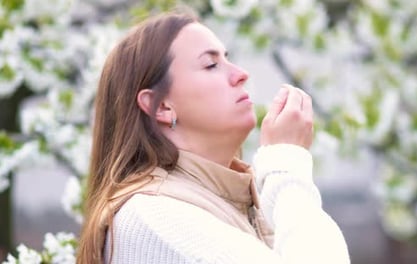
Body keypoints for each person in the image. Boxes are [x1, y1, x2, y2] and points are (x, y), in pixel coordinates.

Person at [77, 8, 350, 264]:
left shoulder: (240, 202)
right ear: (161, 106)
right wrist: (286, 165)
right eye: (211, 65)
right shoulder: (153, 217)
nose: (241, 75)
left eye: (227, 58)